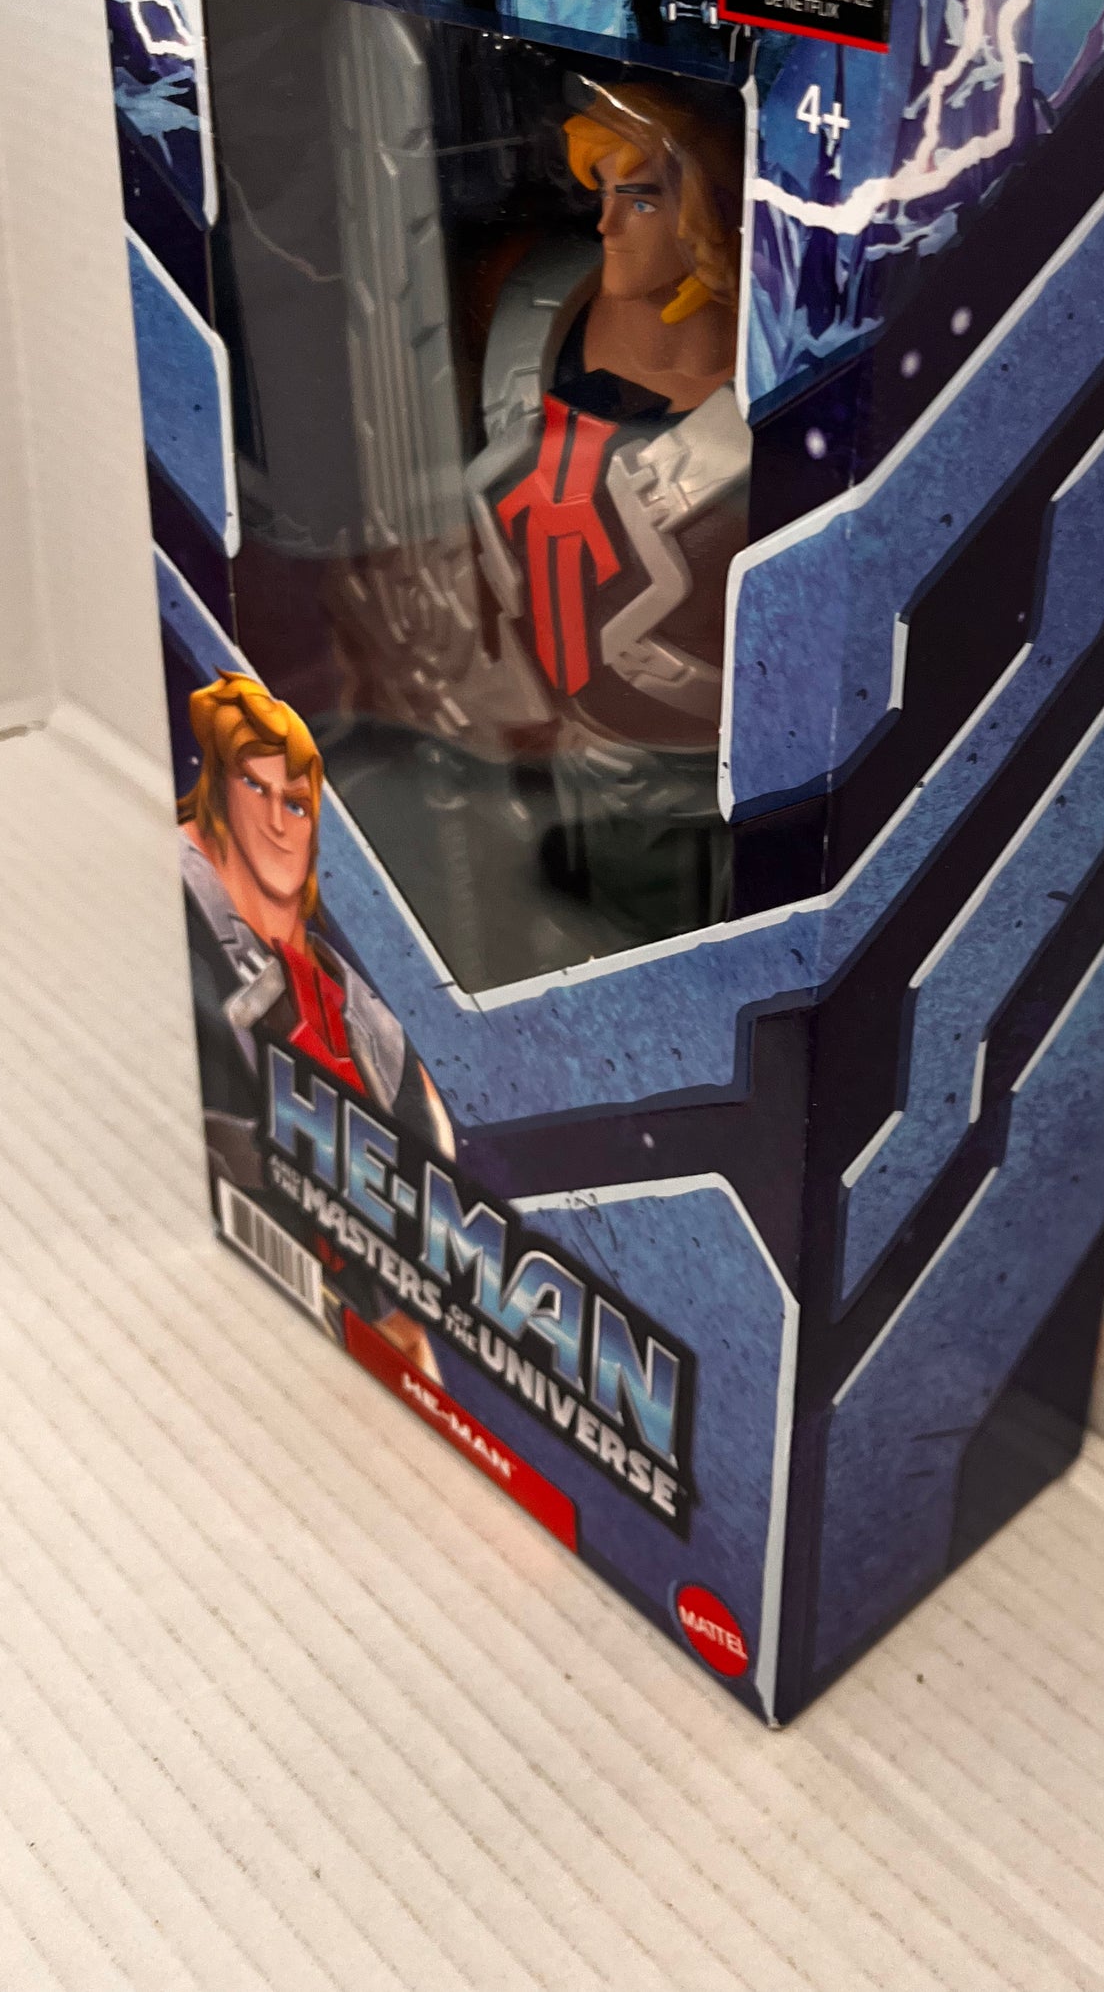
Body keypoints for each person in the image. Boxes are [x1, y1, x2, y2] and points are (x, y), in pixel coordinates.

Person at [467, 80, 750, 947]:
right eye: (601, 194)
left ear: (712, 214)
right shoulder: (530, 313)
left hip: (711, 806)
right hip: (550, 770)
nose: (607, 225)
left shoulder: (783, 391)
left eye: (641, 199)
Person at [178, 671, 451, 1368]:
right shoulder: (189, 923)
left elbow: (414, 1294)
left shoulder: (362, 1019)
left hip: (344, 1304)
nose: (278, 820)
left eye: (296, 803)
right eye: (255, 788)